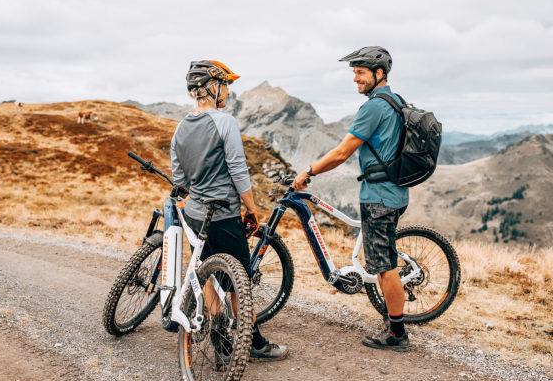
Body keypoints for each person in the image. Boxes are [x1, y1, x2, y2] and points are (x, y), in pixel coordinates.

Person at [292, 47, 410, 350]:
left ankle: (397, 333)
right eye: (354, 72)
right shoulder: (395, 101)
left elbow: (341, 152)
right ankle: (392, 322)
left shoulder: (374, 107)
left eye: (360, 72)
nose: (355, 78)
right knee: (383, 261)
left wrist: (309, 171)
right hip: (393, 191)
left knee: (385, 265)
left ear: (379, 73)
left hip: (379, 196)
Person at [171, 60, 289, 361]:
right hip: (223, 215)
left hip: (196, 215)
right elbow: (238, 173)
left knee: (211, 273)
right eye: (224, 85)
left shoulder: (180, 130)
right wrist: (251, 210)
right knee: (240, 281)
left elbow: (180, 180)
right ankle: (254, 343)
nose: (226, 92)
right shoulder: (225, 123)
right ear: (213, 87)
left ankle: (221, 345)